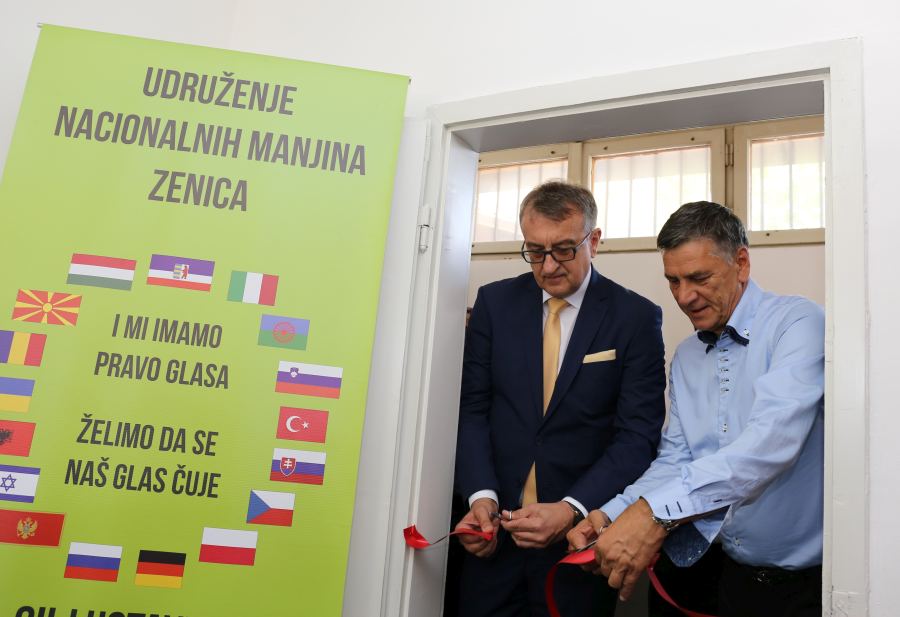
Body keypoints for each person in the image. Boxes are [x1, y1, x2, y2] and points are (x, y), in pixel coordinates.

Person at [568, 201, 825, 617]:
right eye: (673, 281)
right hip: (713, 570)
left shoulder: (798, 324)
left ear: (741, 263)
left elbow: (769, 445)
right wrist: (612, 513)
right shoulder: (687, 356)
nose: (684, 297)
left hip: (794, 589)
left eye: (699, 278)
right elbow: (676, 458)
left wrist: (652, 513)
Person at [454, 180, 667, 616]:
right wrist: (480, 496)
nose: (548, 266)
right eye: (535, 251)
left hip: (578, 546)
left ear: (594, 241)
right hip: (493, 540)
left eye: (564, 250)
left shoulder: (635, 318)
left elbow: (637, 437)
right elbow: (472, 411)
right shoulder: (494, 304)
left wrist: (572, 509)